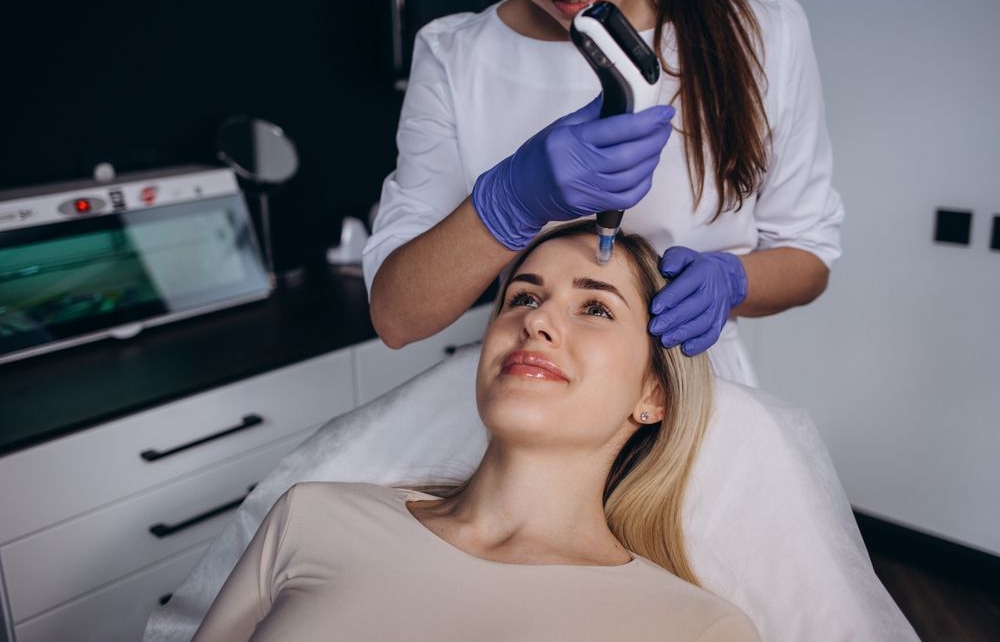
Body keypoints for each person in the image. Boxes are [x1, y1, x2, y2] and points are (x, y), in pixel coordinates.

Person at [192, 222, 760, 641]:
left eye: (595, 309)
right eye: (524, 297)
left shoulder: (698, 628)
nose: (536, 320)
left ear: (653, 395)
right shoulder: (310, 518)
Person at [364, 0, 844, 387]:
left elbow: (808, 257)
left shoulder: (761, 28)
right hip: (539, 385)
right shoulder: (454, 55)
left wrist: (734, 280)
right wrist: (507, 203)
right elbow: (397, 317)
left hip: (692, 395)